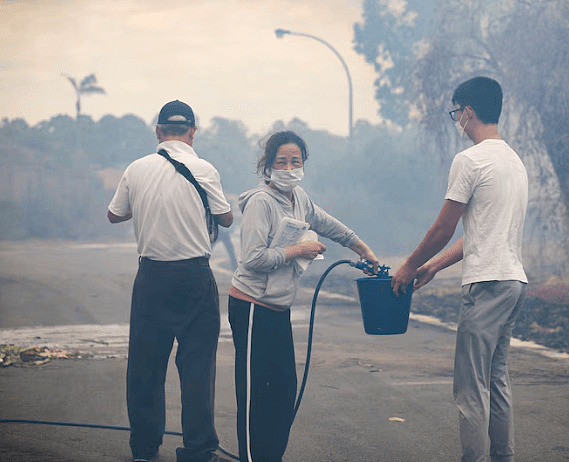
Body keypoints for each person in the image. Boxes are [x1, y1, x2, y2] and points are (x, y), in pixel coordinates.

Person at [391, 77, 528, 462]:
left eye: (456, 113)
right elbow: (479, 235)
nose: (457, 121)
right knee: (496, 379)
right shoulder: (514, 162)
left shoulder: (470, 160)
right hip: (514, 281)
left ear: (467, 111)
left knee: (470, 387)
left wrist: (409, 266)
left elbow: (442, 228)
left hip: (486, 284)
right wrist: (433, 266)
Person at [227, 131, 379, 462]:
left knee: (283, 392)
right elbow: (253, 258)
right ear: (268, 166)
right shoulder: (260, 203)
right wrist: (300, 249)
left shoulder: (300, 199)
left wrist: (363, 248)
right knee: (256, 394)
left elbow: (331, 227)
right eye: (281, 161)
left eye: (296, 161)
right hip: (251, 307)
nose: (289, 167)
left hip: (278, 309)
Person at [107, 100, 234, 462]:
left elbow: (115, 214)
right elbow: (225, 219)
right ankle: (197, 450)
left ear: (158, 131)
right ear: (193, 132)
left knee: (145, 368)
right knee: (197, 369)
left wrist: (147, 201)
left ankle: (145, 450)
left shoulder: (136, 169)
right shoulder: (205, 169)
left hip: (152, 278)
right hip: (195, 277)